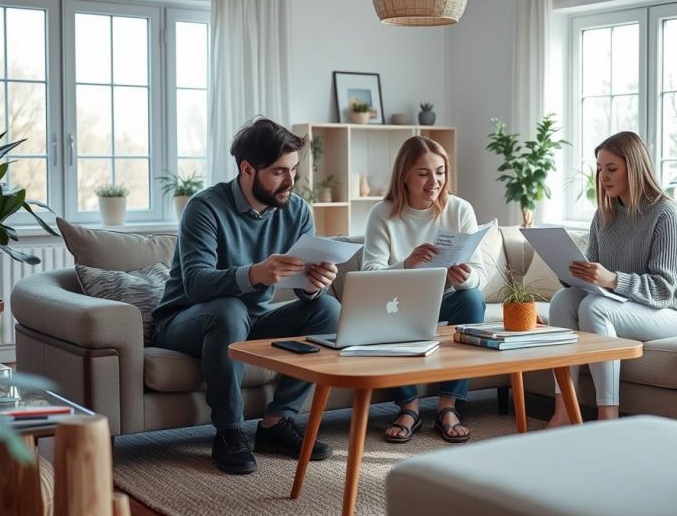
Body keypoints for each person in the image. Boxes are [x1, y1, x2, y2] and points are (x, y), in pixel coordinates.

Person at [152, 117, 341, 474]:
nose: (290, 182)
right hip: (185, 322)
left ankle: (277, 423)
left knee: (328, 310)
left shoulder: (297, 211)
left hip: (251, 321)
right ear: (247, 169)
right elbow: (195, 283)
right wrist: (255, 273)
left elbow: (303, 288)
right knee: (228, 310)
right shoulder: (205, 208)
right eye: (279, 172)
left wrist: (315, 286)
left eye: (294, 170)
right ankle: (229, 431)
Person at [546, 131, 677, 427]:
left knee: (594, 307)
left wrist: (612, 279)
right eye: (599, 169)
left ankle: (607, 419)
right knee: (562, 301)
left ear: (634, 167)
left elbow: (664, 289)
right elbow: (595, 275)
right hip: (622, 303)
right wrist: (573, 274)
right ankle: (564, 412)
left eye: (611, 169)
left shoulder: (666, 214)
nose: (603, 177)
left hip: (669, 312)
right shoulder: (604, 215)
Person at [362, 136, 487, 444]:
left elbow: (482, 276)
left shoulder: (459, 209)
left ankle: (448, 406)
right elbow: (368, 276)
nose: (434, 181)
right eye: (423, 173)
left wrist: (465, 279)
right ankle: (409, 408)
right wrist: (407, 264)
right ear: (404, 174)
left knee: (472, 299)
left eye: (440, 172)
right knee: (385, 318)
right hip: (398, 305)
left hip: (444, 300)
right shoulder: (382, 214)